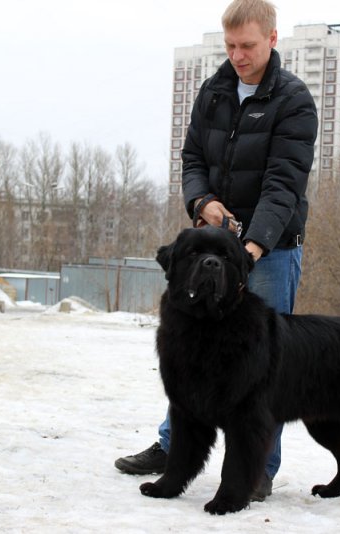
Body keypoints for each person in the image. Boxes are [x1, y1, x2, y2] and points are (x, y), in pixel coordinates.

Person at [115, 0, 318, 501]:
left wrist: (250, 248)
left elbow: (283, 184)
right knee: (189, 351)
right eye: (230, 46)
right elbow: (191, 158)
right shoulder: (215, 90)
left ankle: (259, 469)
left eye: (247, 46)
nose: (238, 56)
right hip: (215, 243)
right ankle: (174, 447)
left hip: (267, 252)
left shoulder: (294, 101)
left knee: (262, 368)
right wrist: (201, 201)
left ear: (272, 39)